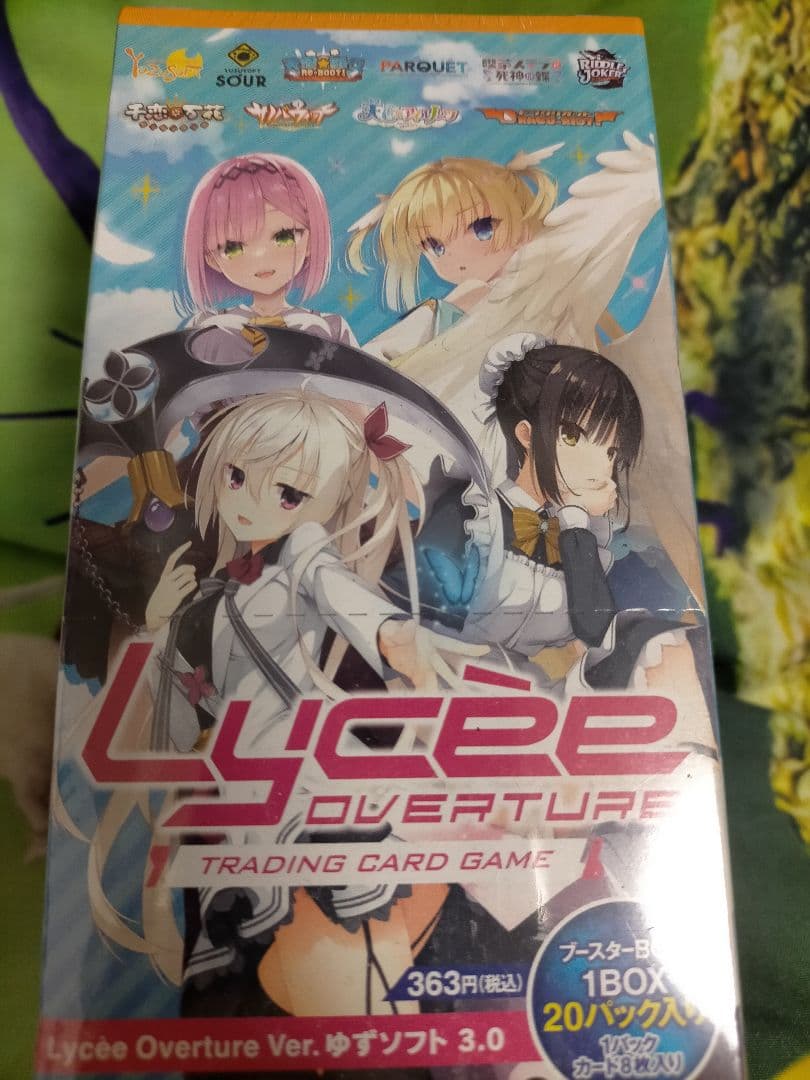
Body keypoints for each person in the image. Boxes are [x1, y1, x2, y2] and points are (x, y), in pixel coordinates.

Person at [180, 153, 356, 363]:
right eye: (233, 248)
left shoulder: (331, 328)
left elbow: (364, 380)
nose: (260, 255)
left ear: (311, 241)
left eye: (284, 236)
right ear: (212, 259)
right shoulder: (207, 326)